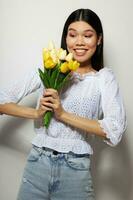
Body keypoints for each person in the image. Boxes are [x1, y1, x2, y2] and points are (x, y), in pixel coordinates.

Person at [0, 8, 127, 200]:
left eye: (88, 35)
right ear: (65, 38)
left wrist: (62, 113)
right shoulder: (50, 68)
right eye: (73, 35)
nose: (79, 42)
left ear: (99, 39)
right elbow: (2, 101)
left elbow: (114, 130)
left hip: (75, 171)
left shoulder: (103, 79)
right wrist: (36, 114)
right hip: (37, 163)